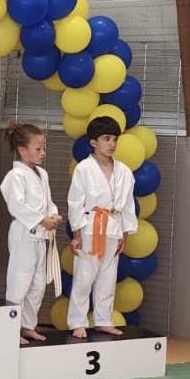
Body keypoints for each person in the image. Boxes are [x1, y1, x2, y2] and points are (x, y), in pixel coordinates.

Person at [67, 116, 138, 338]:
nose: (112, 144)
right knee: (84, 277)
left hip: (114, 227)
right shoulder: (84, 169)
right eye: (106, 139)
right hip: (90, 227)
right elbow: (75, 202)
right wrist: (76, 234)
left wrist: (125, 234)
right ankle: (77, 321)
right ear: (93, 142)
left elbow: (128, 205)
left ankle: (103, 320)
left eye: (115, 139)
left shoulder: (124, 171)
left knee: (108, 277)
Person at [0, 122, 62, 345]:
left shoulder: (42, 173)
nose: (43, 152)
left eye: (43, 148)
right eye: (38, 149)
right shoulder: (15, 176)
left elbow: (48, 202)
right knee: (20, 282)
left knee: (37, 285)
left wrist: (53, 215)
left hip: (41, 236)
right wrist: (41, 220)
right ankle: (10, 329)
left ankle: (28, 326)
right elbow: (17, 206)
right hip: (24, 234)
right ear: (22, 150)